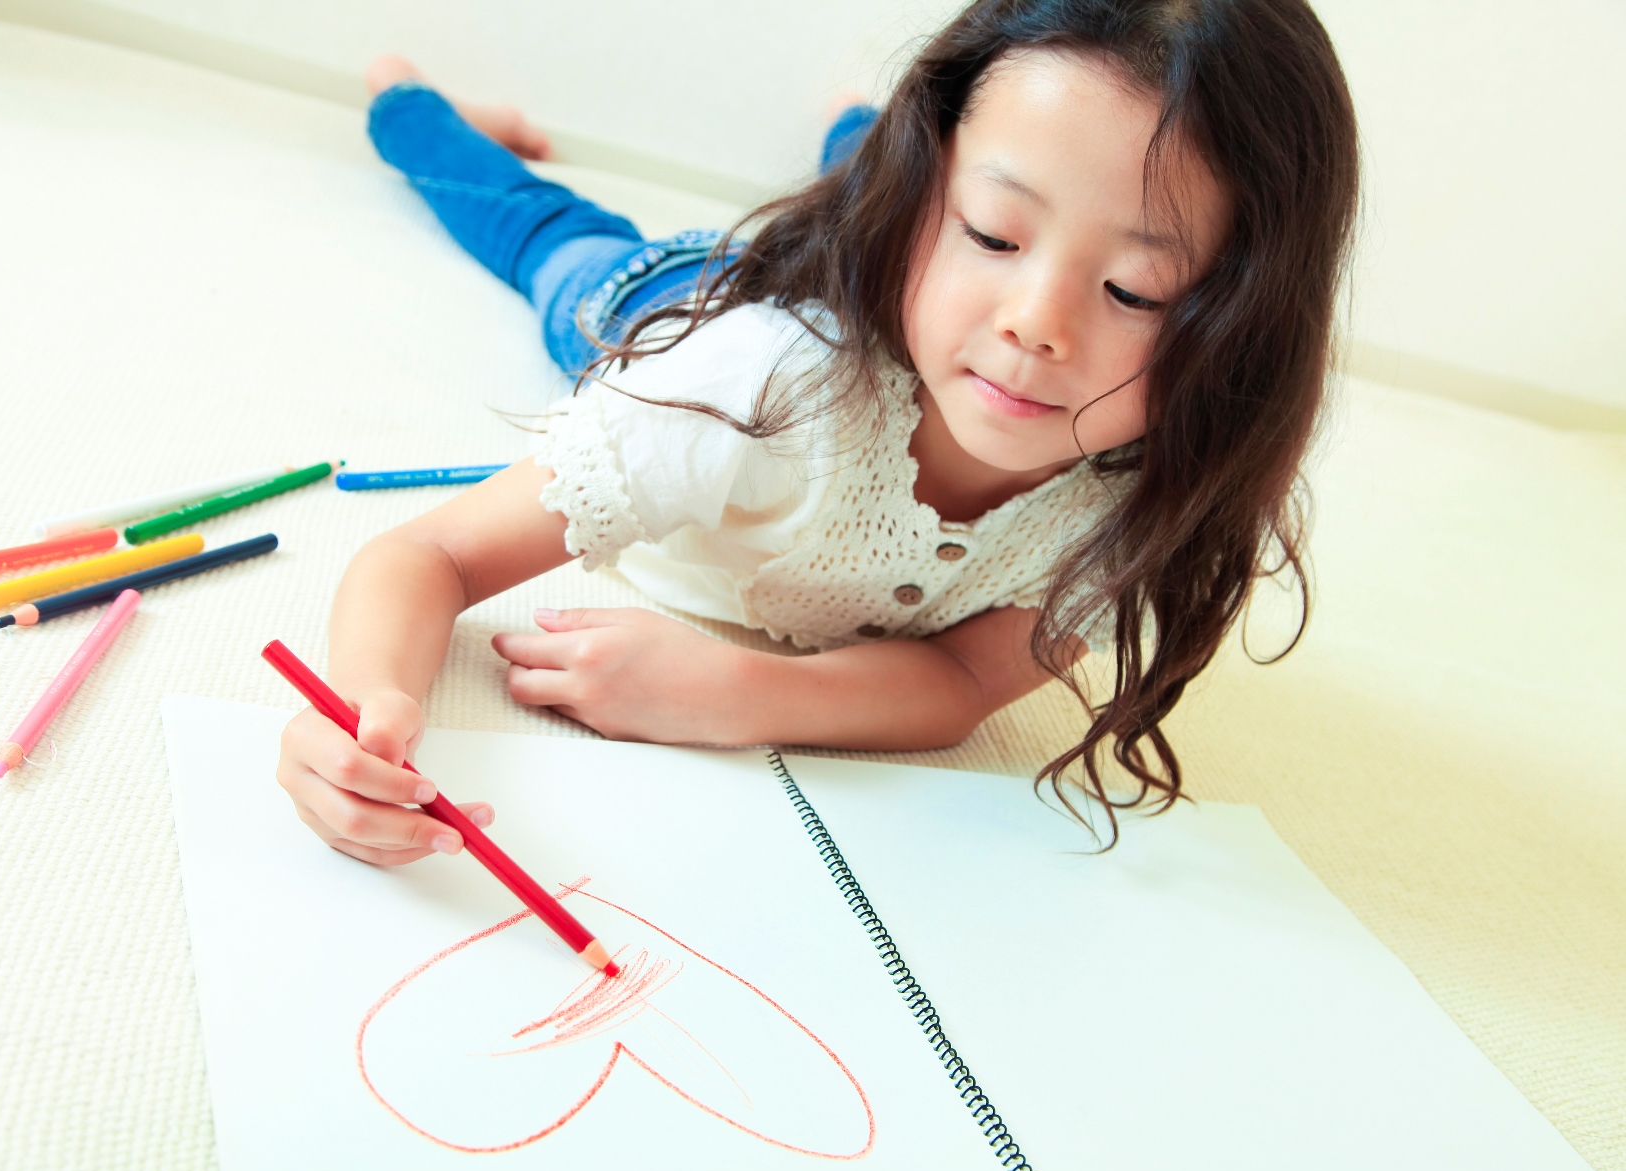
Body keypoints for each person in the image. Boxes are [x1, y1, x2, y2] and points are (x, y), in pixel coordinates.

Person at [276, 0, 1359, 863]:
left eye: (1134, 289)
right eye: (991, 231)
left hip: (874, 256)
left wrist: (745, 693)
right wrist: (367, 709)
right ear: (927, 192)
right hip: (670, 299)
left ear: (1245, 325)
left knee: (872, 177)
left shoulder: (1149, 485)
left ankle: (860, 135)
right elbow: (430, 553)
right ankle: (409, 106)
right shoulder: (751, 381)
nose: (1037, 325)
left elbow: (969, 683)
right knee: (545, 236)